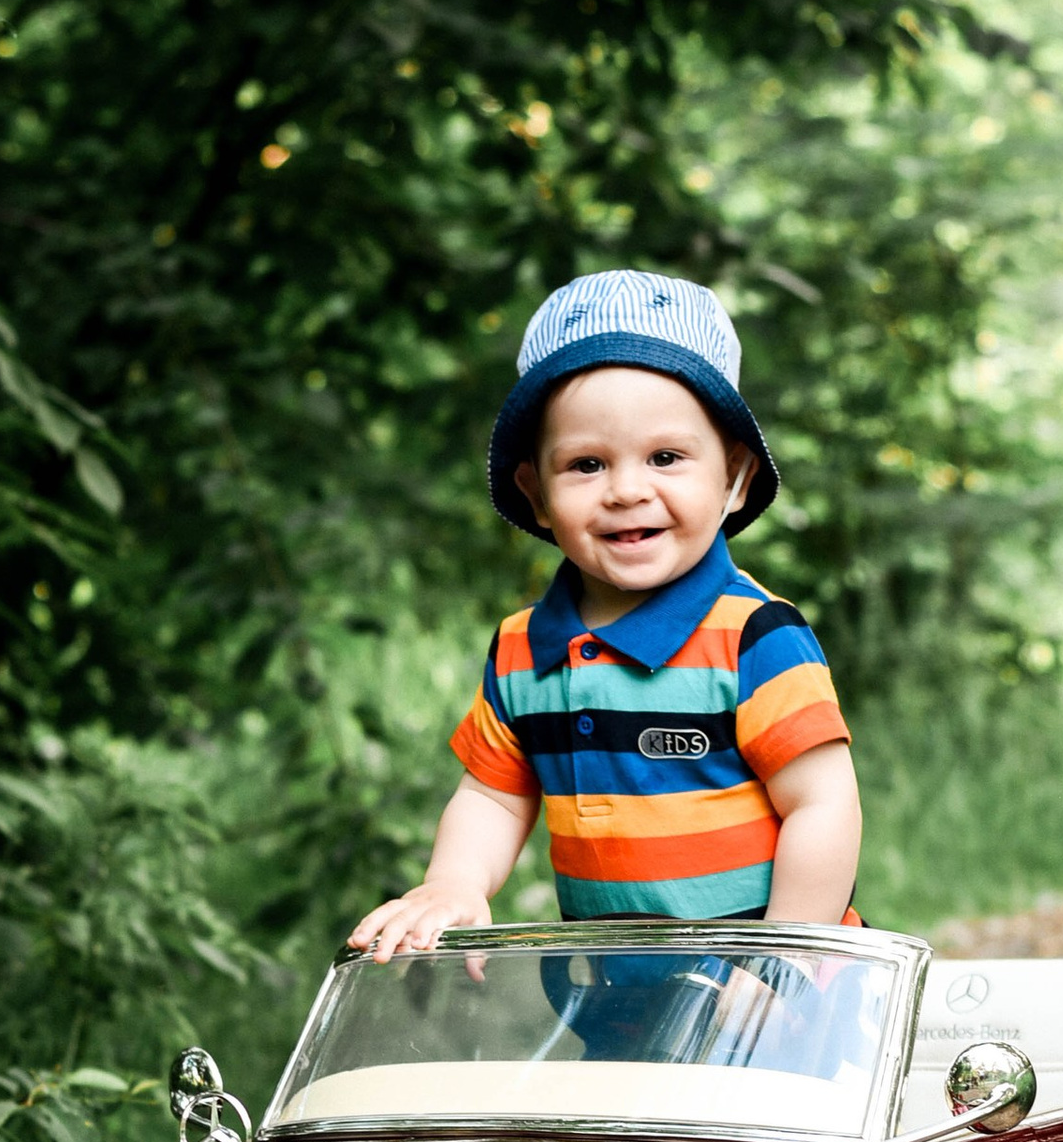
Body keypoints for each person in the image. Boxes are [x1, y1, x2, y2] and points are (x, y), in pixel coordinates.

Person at [350, 271, 861, 957]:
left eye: (665, 457)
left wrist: (780, 962)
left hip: (772, 987)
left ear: (735, 477)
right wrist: (454, 883)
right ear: (536, 493)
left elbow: (822, 806)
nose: (626, 490)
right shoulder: (523, 649)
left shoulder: (754, 636)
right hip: (609, 984)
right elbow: (494, 797)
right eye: (587, 464)